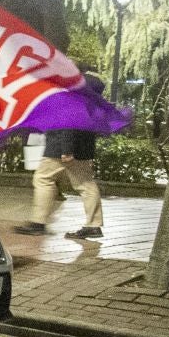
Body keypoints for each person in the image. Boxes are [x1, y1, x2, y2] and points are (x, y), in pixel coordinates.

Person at [15, 76, 107, 238]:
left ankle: (38, 222)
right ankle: (94, 225)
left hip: (60, 148)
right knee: (86, 184)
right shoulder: (90, 102)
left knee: (43, 179)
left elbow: (67, 125)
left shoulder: (71, 98)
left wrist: (67, 150)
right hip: (83, 149)